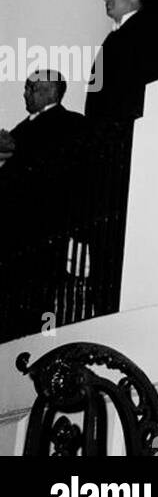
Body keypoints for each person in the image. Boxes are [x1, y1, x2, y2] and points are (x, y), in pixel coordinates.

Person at [0, 72, 91, 334]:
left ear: (51, 92)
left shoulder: (70, 124)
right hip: (22, 229)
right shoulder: (22, 129)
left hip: (43, 226)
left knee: (36, 297)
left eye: (32, 88)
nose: (25, 93)